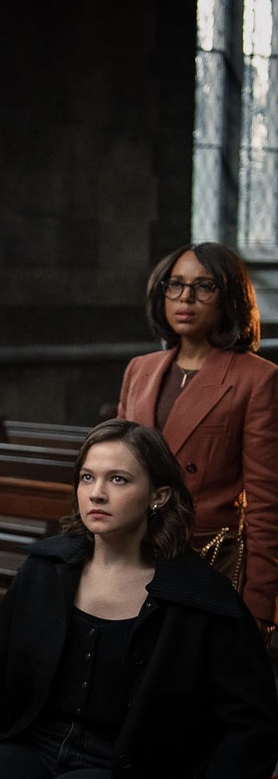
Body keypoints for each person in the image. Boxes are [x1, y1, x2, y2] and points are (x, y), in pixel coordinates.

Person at [0, 419, 278, 778]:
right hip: (33, 747)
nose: (97, 494)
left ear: (159, 496)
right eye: (87, 477)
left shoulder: (200, 597)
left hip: (123, 766)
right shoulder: (45, 571)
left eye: (118, 479)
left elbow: (252, 724)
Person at [117, 242, 278, 643]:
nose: (186, 298)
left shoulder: (257, 378)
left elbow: (266, 502)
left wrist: (260, 603)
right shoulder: (140, 370)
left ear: (230, 298)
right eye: (176, 284)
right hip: (132, 556)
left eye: (204, 286)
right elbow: (115, 469)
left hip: (207, 563)